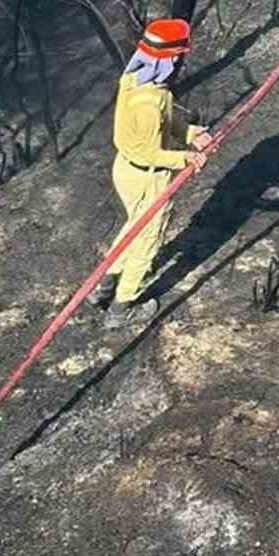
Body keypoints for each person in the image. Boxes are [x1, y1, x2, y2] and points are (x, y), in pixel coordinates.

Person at [89, 17, 212, 329]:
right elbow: (148, 152)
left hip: (128, 170)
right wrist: (186, 158)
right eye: (179, 57)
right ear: (169, 60)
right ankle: (122, 307)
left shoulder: (137, 82)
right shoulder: (147, 103)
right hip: (147, 176)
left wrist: (190, 133)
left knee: (134, 226)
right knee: (147, 240)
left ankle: (104, 283)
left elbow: (164, 120)